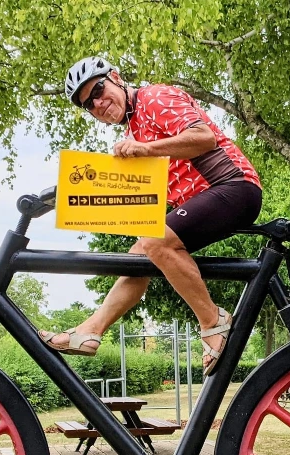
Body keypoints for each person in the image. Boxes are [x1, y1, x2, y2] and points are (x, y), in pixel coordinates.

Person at [38, 56, 263, 375]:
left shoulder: (154, 98)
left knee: (155, 242)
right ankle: (91, 329)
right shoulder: (135, 128)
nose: (99, 103)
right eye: (89, 104)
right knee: (138, 256)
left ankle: (214, 321)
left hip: (234, 186)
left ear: (115, 77)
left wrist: (145, 150)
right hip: (209, 198)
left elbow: (204, 138)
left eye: (99, 90)